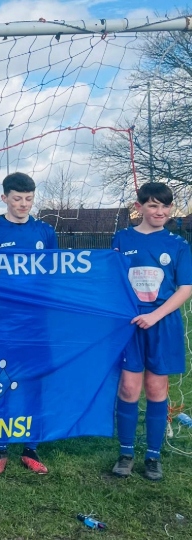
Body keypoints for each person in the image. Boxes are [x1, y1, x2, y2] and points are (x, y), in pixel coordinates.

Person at [111, 182, 192, 482]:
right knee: (129, 389)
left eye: (165, 206)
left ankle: (153, 457)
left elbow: (186, 288)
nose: (160, 212)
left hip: (163, 324)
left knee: (157, 389)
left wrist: (156, 315)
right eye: (153, 205)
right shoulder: (122, 238)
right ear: (140, 206)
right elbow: (112, 279)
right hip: (130, 325)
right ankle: (126, 453)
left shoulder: (178, 244)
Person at [0, 172, 56, 475]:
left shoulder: (45, 232)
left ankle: (31, 447)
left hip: (36, 322)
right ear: (4, 198)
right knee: (3, 381)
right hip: (3, 322)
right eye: (18, 198)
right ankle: (0, 447)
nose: (23, 204)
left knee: (35, 382)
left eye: (29, 199)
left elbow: (53, 275)